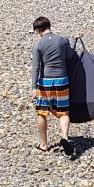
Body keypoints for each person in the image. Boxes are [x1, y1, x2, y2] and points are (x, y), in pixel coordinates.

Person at [31, 15, 77, 159]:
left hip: (45, 81)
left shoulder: (38, 44)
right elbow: (71, 56)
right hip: (62, 80)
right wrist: (74, 41)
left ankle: (44, 144)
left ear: (38, 29)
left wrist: (34, 86)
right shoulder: (63, 40)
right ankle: (64, 136)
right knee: (63, 112)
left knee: (42, 112)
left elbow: (36, 66)